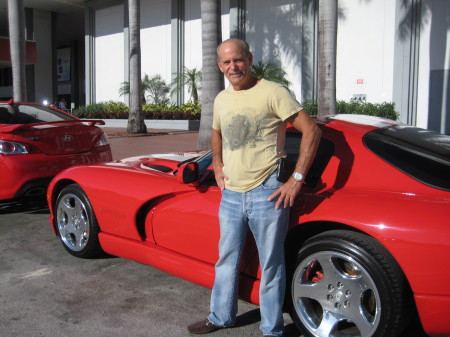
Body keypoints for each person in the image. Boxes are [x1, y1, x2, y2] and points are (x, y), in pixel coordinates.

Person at [188, 38, 321, 337]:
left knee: (271, 264)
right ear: (219, 66)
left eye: (237, 60)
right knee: (226, 260)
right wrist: (218, 166)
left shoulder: (273, 91)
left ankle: (272, 329)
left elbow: (312, 130)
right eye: (226, 62)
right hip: (232, 194)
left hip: (267, 191)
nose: (232, 66)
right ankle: (220, 317)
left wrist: (296, 180)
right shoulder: (222, 98)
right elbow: (216, 133)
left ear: (249, 57)